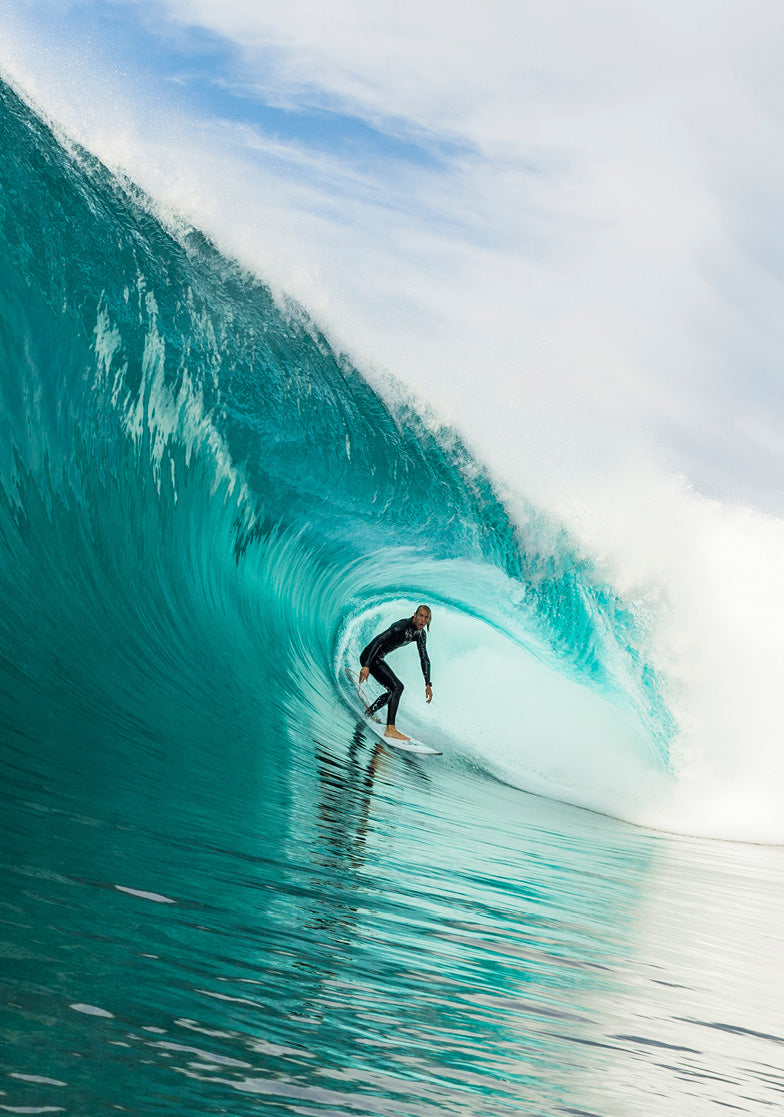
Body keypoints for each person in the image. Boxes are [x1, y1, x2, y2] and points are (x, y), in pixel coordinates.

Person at [358, 605, 433, 740]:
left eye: (426, 617)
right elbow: (378, 641)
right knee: (398, 687)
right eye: (421, 615)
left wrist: (428, 684)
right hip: (370, 656)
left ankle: (369, 712)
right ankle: (390, 728)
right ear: (414, 615)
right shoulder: (401, 627)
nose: (423, 620)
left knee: (393, 691)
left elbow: (424, 657)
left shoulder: (420, 634)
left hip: (378, 659)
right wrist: (367, 665)